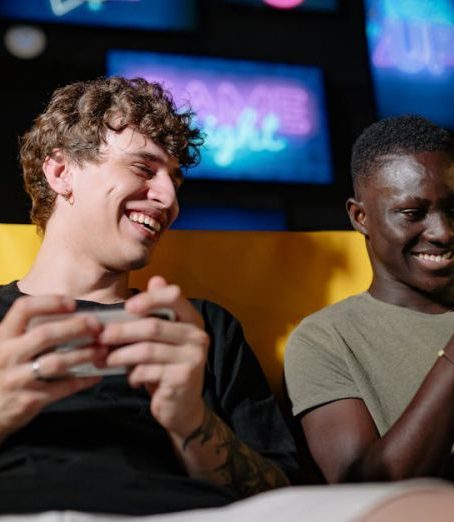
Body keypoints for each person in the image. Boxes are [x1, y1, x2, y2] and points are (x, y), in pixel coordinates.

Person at [0, 76, 297, 515]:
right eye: (143, 169)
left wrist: (191, 421)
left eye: (175, 180)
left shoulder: (202, 328)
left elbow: (283, 502)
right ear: (61, 172)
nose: (169, 198)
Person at [285, 115, 454, 487]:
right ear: (360, 217)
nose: (444, 232)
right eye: (413, 213)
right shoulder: (326, 339)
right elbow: (363, 489)